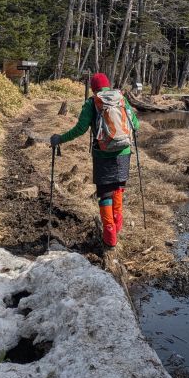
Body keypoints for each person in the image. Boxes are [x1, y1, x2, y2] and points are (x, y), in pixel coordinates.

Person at [50, 73, 140, 248]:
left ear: (93, 88)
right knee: (118, 188)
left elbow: (80, 129)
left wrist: (60, 139)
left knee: (105, 193)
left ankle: (109, 236)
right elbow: (135, 125)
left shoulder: (92, 103)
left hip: (103, 154)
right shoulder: (121, 99)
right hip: (124, 153)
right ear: (108, 85)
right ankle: (117, 227)